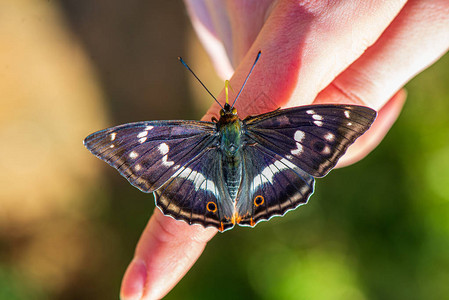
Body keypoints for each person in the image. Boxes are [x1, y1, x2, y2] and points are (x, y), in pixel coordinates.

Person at [120, 1, 449, 299]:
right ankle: (244, 205)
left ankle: (225, 206)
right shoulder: (269, 126)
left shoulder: (191, 137)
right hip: (268, 169)